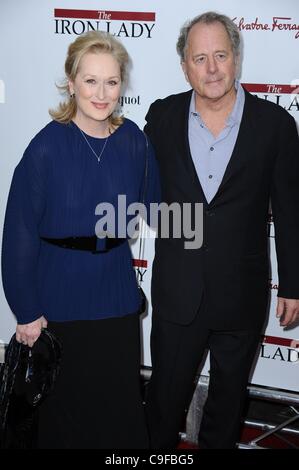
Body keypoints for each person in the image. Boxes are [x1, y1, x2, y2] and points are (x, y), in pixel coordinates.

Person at [144, 11, 299, 449]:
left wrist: (293, 283)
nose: (211, 69)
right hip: (177, 292)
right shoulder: (161, 117)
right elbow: (138, 188)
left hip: (241, 296)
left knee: (227, 409)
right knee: (163, 404)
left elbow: (290, 211)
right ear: (184, 66)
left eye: (220, 55)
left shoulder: (276, 125)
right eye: (200, 58)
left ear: (236, 58)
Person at [1, 30, 160, 449]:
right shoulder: (45, 148)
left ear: (121, 85)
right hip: (58, 307)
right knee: (64, 421)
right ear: (71, 83)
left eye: (111, 81)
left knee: (118, 411)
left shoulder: (134, 141)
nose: (102, 93)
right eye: (91, 80)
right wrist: (26, 311)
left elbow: (159, 207)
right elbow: (17, 236)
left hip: (117, 303)